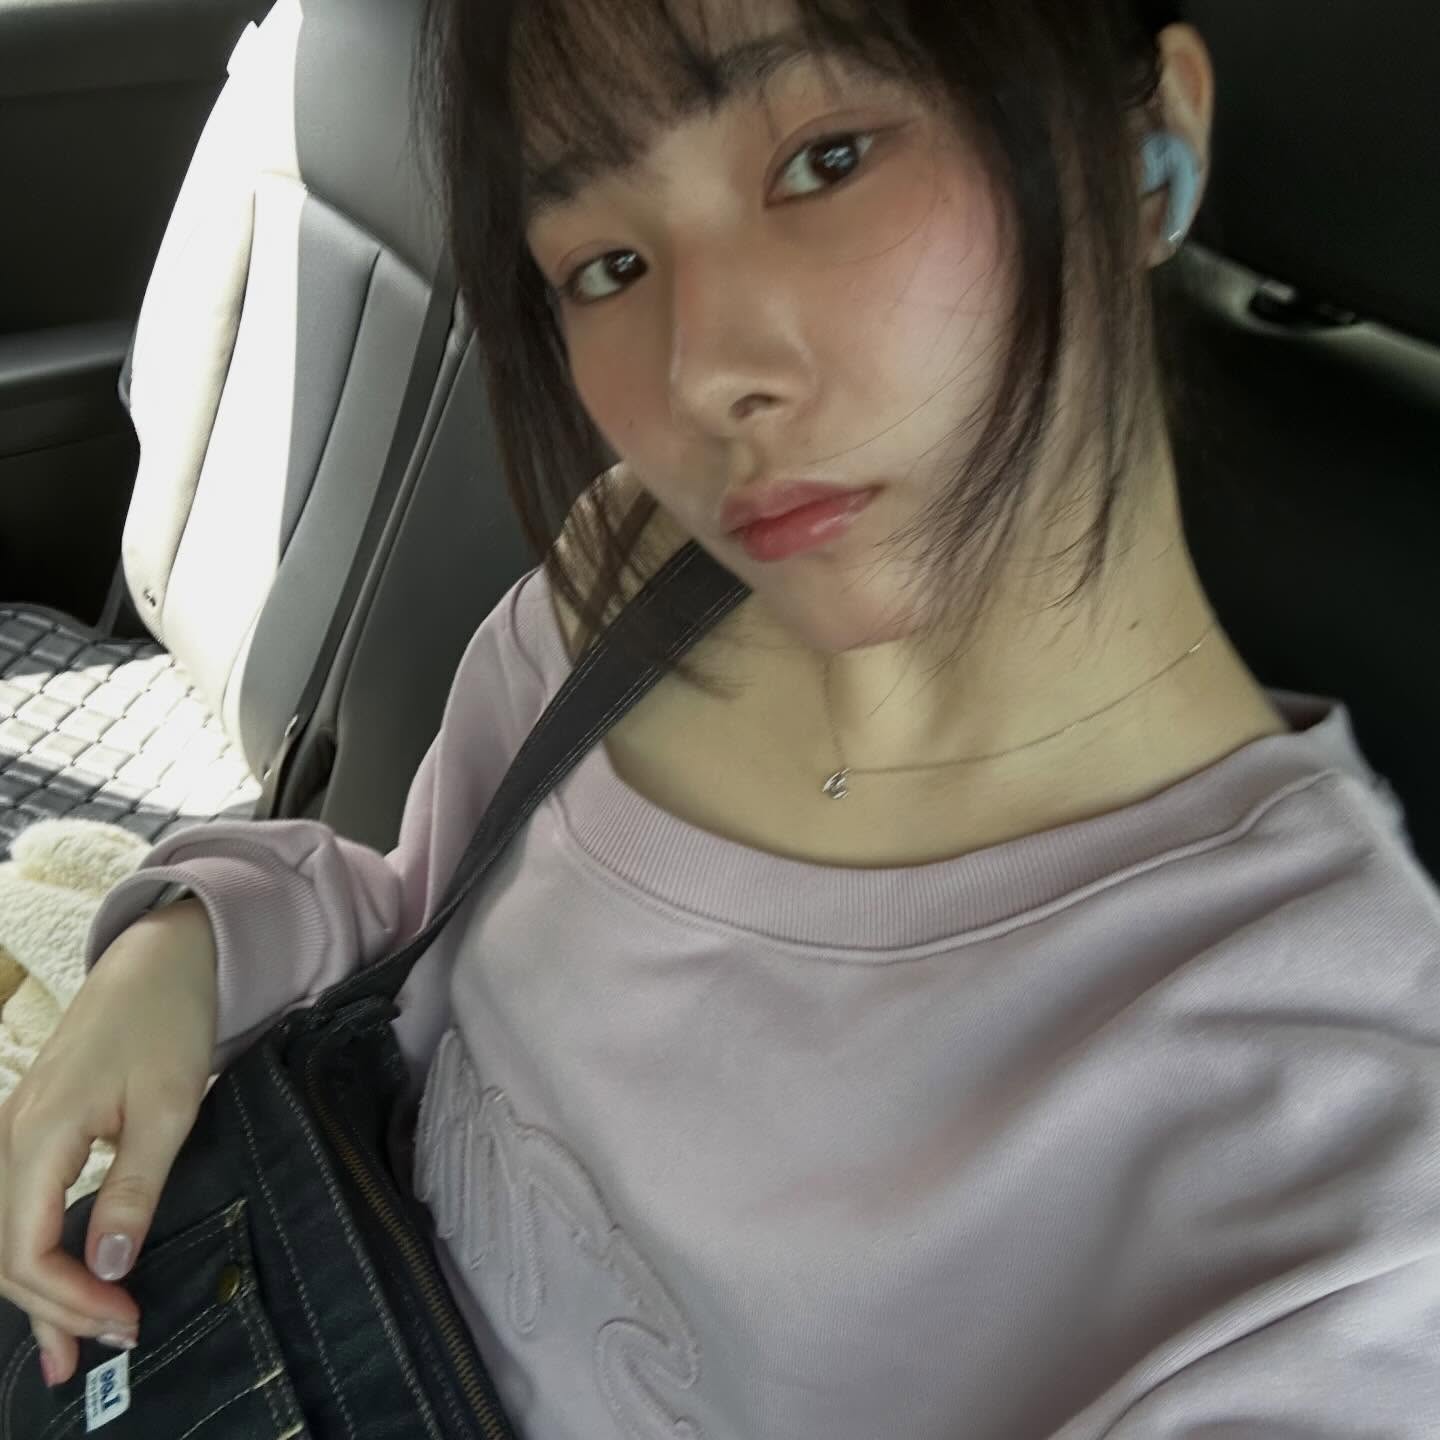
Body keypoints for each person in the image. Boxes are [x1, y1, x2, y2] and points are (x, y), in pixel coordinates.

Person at [3, 0, 1440, 1435]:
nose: (699, 375)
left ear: (1145, 148)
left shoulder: (1350, 1170)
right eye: (609, 265)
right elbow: (412, 923)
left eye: (828, 160)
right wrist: (186, 953)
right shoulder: (636, 580)